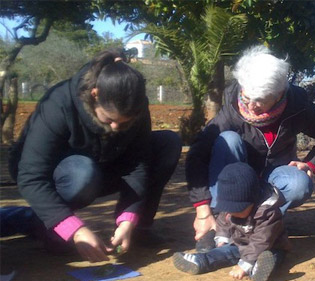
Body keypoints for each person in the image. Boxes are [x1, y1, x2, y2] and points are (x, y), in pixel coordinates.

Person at [2, 49, 182, 262]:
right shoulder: (58, 104)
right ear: (95, 94)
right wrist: (74, 229)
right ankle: (50, 226)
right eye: (109, 120)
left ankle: (138, 227)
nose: (116, 127)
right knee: (82, 173)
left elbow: (138, 163)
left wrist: (129, 218)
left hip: (102, 163)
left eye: (125, 123)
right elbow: (31, 175)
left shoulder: (137, 106)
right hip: (60, 173)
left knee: (167, 143)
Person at [186, 45, 315, 250]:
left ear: (278, 94)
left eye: (260, 100)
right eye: (247, 97)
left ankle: (260, 223)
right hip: (237, 179)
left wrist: (311, 165)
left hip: (272, 178)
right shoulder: (231, 110)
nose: (251, 106)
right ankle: (223, 221)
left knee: (299, 183)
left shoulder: (297, 105)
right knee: (228, 140)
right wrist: (202, 210)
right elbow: (196, 155)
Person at [173, 162, 289, 281]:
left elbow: (262, 241)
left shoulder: (268, 212)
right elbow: (223, 222)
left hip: (269, 247)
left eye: (238, 209)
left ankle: (256, 270)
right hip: (240, 244)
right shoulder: (229, 208)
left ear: (253, 200)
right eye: (229, 208)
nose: (233, 212)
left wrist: (244, 265)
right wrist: (221, 238)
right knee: (223, 252)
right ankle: (201, 260)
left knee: (272, 257)